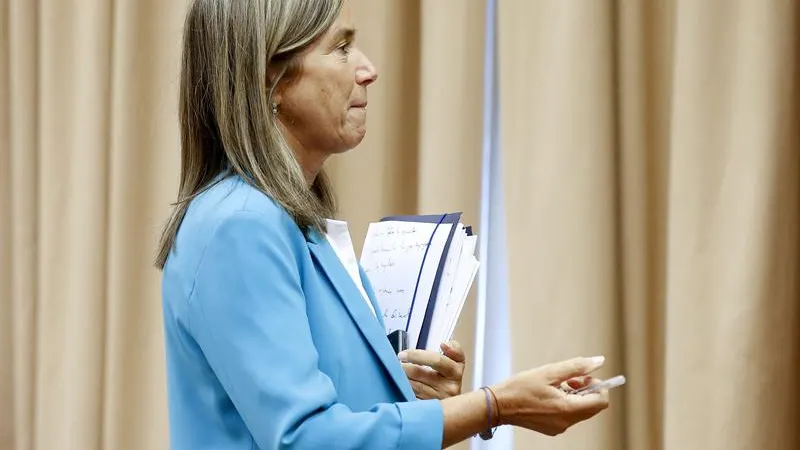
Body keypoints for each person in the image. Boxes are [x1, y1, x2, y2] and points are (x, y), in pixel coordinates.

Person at [155, 0, 612, 449]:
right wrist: (493, 407)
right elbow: (308, 439)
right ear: (270, 78)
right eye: (341, 48)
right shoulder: (241, 227)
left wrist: (413, 397)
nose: (368, 70)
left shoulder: (289, 224)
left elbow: (341, 416)